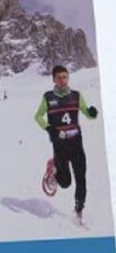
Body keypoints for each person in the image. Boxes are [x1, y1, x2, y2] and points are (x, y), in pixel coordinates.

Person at [36, 65, 98, 223]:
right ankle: (53, 168)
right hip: (59, 144)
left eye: (65, 77)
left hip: (76, 143)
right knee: (65, 183)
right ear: (54, 80)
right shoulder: (48, 97)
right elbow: (38, 116)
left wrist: (91, 113)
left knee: (81, 177)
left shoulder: (76, 96)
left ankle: (79, 210)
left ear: (68, 78)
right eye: (59, 77)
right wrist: (49, 128)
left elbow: (85, 112)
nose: (63, 80)